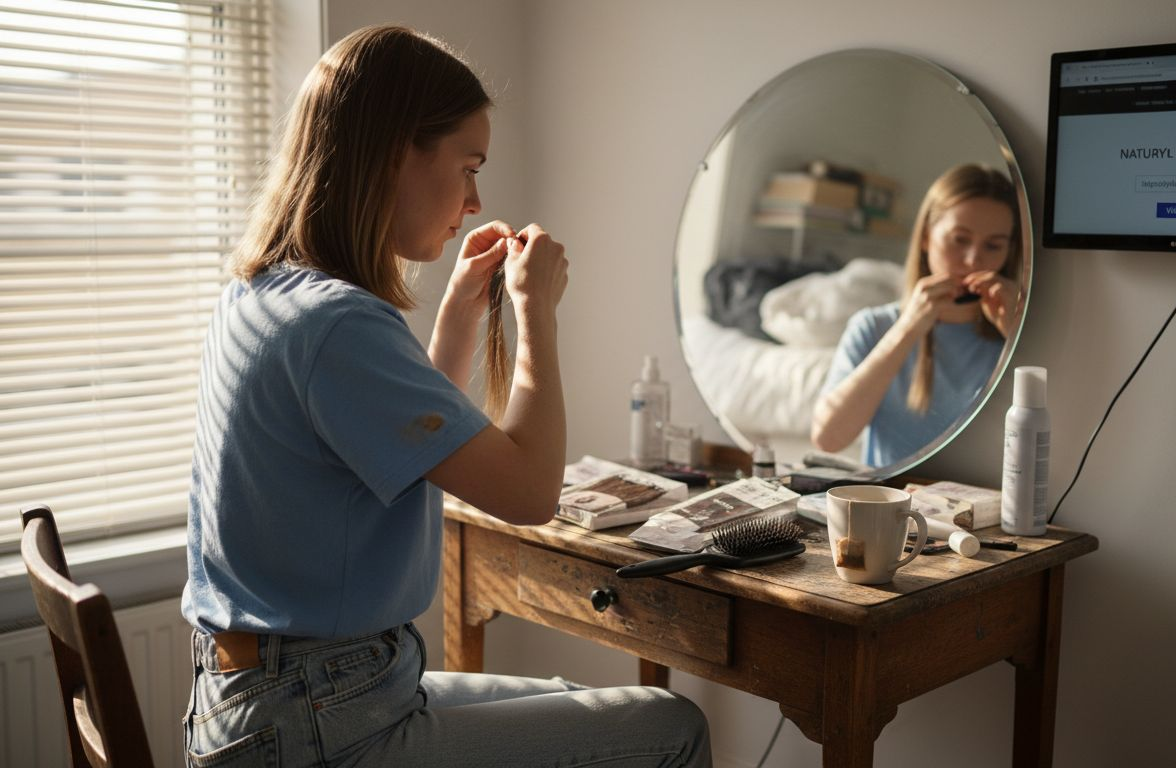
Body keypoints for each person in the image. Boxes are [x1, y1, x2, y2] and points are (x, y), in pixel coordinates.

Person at [180, 25, 711, 767]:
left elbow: (406, 437)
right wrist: (538, 317)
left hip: (279, 697)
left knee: (570, 699)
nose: (474, 197)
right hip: (320, 720)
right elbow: (529, 493)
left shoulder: (266, 294)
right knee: (669, 726)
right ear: (397, 151)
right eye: (466, 167)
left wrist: (461, 308)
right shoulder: (340, 324)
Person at [811, 163, 1023, 468]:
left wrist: (1016, 335)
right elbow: (827, 438)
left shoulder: (1018, 333)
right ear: (926, 237)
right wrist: (907, 328)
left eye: (993, 245)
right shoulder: (873, 327)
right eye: (959, 239)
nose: (974, 259)